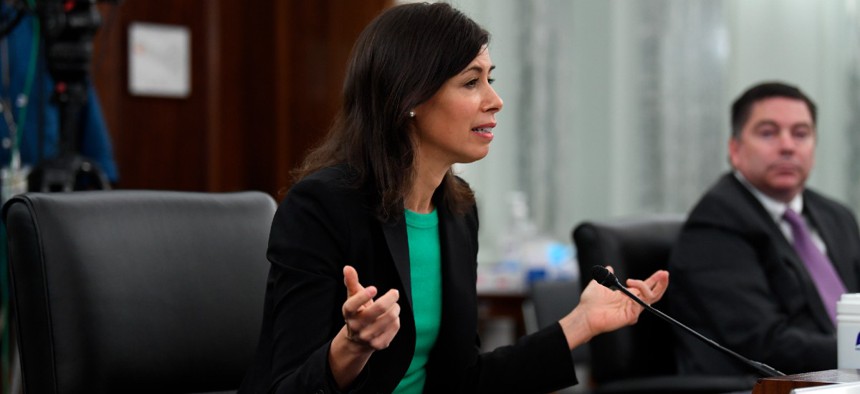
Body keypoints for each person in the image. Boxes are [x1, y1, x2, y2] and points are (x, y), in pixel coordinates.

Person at [239, 3, 669, 393]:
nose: (495, 101)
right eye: (471, 82)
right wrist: (352, 347)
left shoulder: (457, 211)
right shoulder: (320, 208)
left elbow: (464, 380)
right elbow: (287, 388)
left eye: (490, 79)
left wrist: (581, 323)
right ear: (410, 98)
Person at [668, 81, 860, 378]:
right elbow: (764, 344)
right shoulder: (715, 224)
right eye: (768, 133)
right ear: (735, 149)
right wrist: (854, 353)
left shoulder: (836, 216)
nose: (787, 146)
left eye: (801, 134)